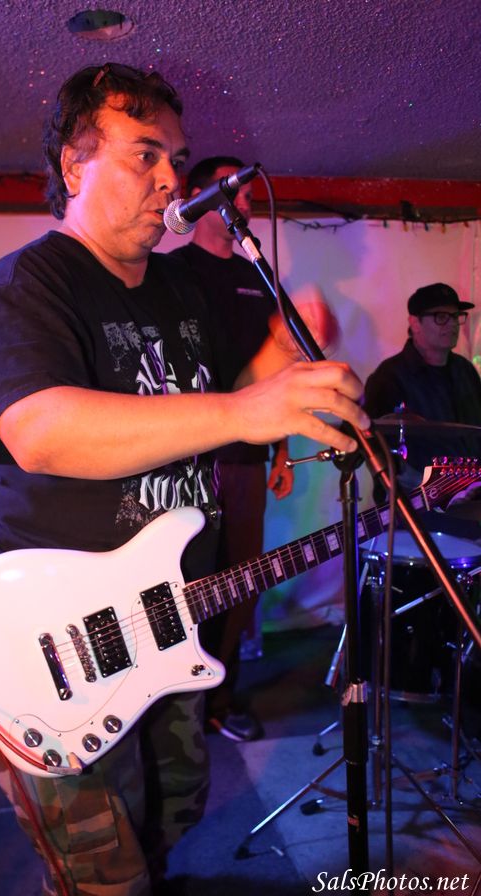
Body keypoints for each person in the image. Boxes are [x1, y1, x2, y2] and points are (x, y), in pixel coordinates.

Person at [0, 62, 368, 896]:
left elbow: (230, 393)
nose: (170, 180)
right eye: (144, 155)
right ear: (75, 164)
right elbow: (39, 432)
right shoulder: (29, 283)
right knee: (102, 873)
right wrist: (245, 411)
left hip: (168, 618)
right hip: (59, 647)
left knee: (171, 817)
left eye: (176, 160)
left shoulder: (183, 287)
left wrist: (287, 359)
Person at [169, 156, 294, 743]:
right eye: (231, 193)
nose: (244, 203)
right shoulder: (170, 273)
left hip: (246, 457)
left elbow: (280, 368)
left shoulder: (257, 276)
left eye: (246, 196)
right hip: (183, 455)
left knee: (242, 579)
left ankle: (221, 697)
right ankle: (177, 701)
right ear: (197, 198)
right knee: (186, 580)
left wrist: (283, 451)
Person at [364, 283, 481, 490]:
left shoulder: (465, 370)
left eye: (456, 316)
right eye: (441, 317)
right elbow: (374, 447)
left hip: (470, 493)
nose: (453, 324)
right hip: (419, 499)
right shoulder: (389, 376)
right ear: (415, 323)